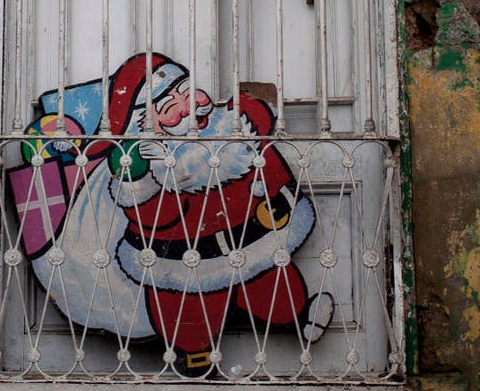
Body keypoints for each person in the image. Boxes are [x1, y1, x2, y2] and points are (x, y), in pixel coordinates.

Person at [99, 52, 333, 377]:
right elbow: (155, 217)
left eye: (187, 91)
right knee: (187, 316)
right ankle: (194, 357)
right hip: (185, 264)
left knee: (276, 291)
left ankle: (299, 315)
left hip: (255, 243)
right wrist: (139, 179)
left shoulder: (236, 132)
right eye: (168, 108)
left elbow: (265, 149)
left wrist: (276, 200)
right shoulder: (156, 174)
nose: (188, 108)